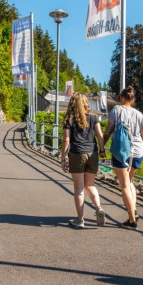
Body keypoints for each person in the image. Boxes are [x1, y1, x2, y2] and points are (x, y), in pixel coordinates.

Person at [102, 86, 143, 229]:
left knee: (124, 185)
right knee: (130, 181)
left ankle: (132, 220)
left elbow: (108, 131)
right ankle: (134, 209)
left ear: (121, 98)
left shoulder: (116, 110)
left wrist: (102, 148)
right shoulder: (139, 115)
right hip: (138, 152)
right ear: (133, 100)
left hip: (121, 151)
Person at [59, 92, 107, 229]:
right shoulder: (94, 117)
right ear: (86, 103)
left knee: (79, 187)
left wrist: (63, 158)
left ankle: (80, 220)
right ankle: (98, 208)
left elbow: (66, 140)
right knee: (90, 185)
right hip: (92, 153)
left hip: (77, 154)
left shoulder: (69, 118)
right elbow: (99, 135)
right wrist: (102, 150)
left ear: (72, 103)